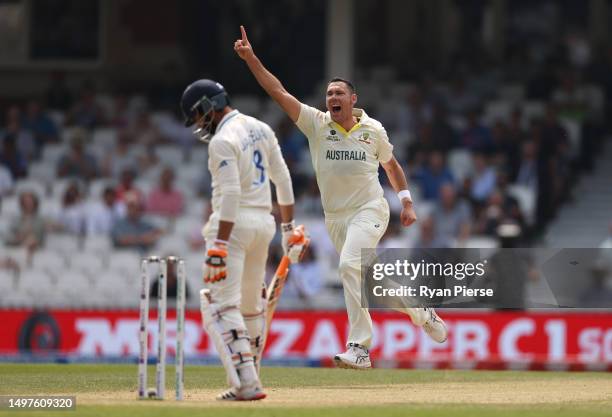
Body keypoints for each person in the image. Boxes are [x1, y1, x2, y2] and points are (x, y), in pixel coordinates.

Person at [234, 25, 447, 370]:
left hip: (370, 209)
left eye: (338, 93)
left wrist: (406, 201)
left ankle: (359, 347)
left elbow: (391, 165)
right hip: (336, 218)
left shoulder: (373, 130)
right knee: (372, 283)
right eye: (329, 93)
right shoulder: (317, 124)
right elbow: (278, 91)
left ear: (353, 99)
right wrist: (251, 59)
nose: (332, 98)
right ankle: (422, 313)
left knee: (349, 265)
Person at [180, 78, 308, 400]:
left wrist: (220, 245)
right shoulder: (261, 128)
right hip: (264, 225)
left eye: (197, 116)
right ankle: (252, 379)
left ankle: (246, 384)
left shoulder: (222, 140)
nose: (198, 124)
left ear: (208, 106)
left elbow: (232, 193)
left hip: (233, 228)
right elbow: (283, 179)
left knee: (218, 305)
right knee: (251, 308)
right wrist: (289, 227)